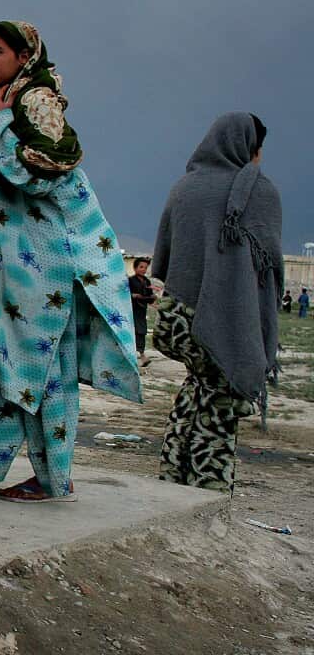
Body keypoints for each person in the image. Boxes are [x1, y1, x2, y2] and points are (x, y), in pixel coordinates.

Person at [0, 21, 141, 503]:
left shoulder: (37, 103)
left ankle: (53, 477)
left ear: (25, 57)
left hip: (51, 267)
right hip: (20, 265)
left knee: (45, 368)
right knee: (3, 364)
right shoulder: (2, 105)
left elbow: (36, 177)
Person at [151, 113, 282, 492]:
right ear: (249, 149)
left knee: (198, 388)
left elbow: (167, 255)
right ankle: (208, 488)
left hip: (179, 318)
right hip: (228, 318)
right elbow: (267, 267)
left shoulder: (184, 188)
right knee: (220, 408)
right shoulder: (260, 192)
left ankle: (174, 474)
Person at [128, 257, 157, 367]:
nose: (143, 270)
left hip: (141, 311)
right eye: (141, 267)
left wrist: (152, 298)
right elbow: (124, 294)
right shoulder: (130, 281)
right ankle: (140, 355)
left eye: (145, 267)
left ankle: (141, 354)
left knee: (141, 331)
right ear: (135, 268)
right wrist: (132, 295)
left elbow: (149, 296)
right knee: (133, 331)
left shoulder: (147, 281)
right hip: (131, 311)